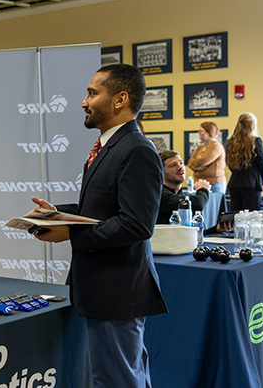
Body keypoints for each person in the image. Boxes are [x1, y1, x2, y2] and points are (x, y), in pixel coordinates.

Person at [30, 64, 167, 388]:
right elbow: (101, 210)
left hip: (117, 292)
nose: (84, 101)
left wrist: (72, 233)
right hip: (104, 289)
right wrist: (58, 214)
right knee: (123, 376)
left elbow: (136, 225)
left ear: (120, 99)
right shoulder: (109, 148)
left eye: (93, 93)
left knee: (116, 380)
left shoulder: (137, 151)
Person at [226, 112, 263, 211]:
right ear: (252, 126)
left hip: (235, 183)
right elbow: (262, 162)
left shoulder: (231, 141)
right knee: (251, 218)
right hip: (252, 183)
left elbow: (229, 162)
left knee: (236, 217)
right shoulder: (255, 141)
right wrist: (262, 180)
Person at [157, 150, 211, 224]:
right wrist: (203, 189)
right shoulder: (160, 194)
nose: (180, 167)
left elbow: (193, 230)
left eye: (181, 163)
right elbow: (197, 204)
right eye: (173, 165)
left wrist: (216, 229)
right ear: (161, 171)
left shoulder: (181, 194)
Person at [187, 121, 226, 194]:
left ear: (209, 132)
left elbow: (202, 161)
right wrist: (196, 167)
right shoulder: (201, 147)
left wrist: (196, 165)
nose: (199, 133)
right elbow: (190, 163)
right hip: (200, 184)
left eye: (201, 131)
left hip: (214, 185)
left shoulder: (216, 146)